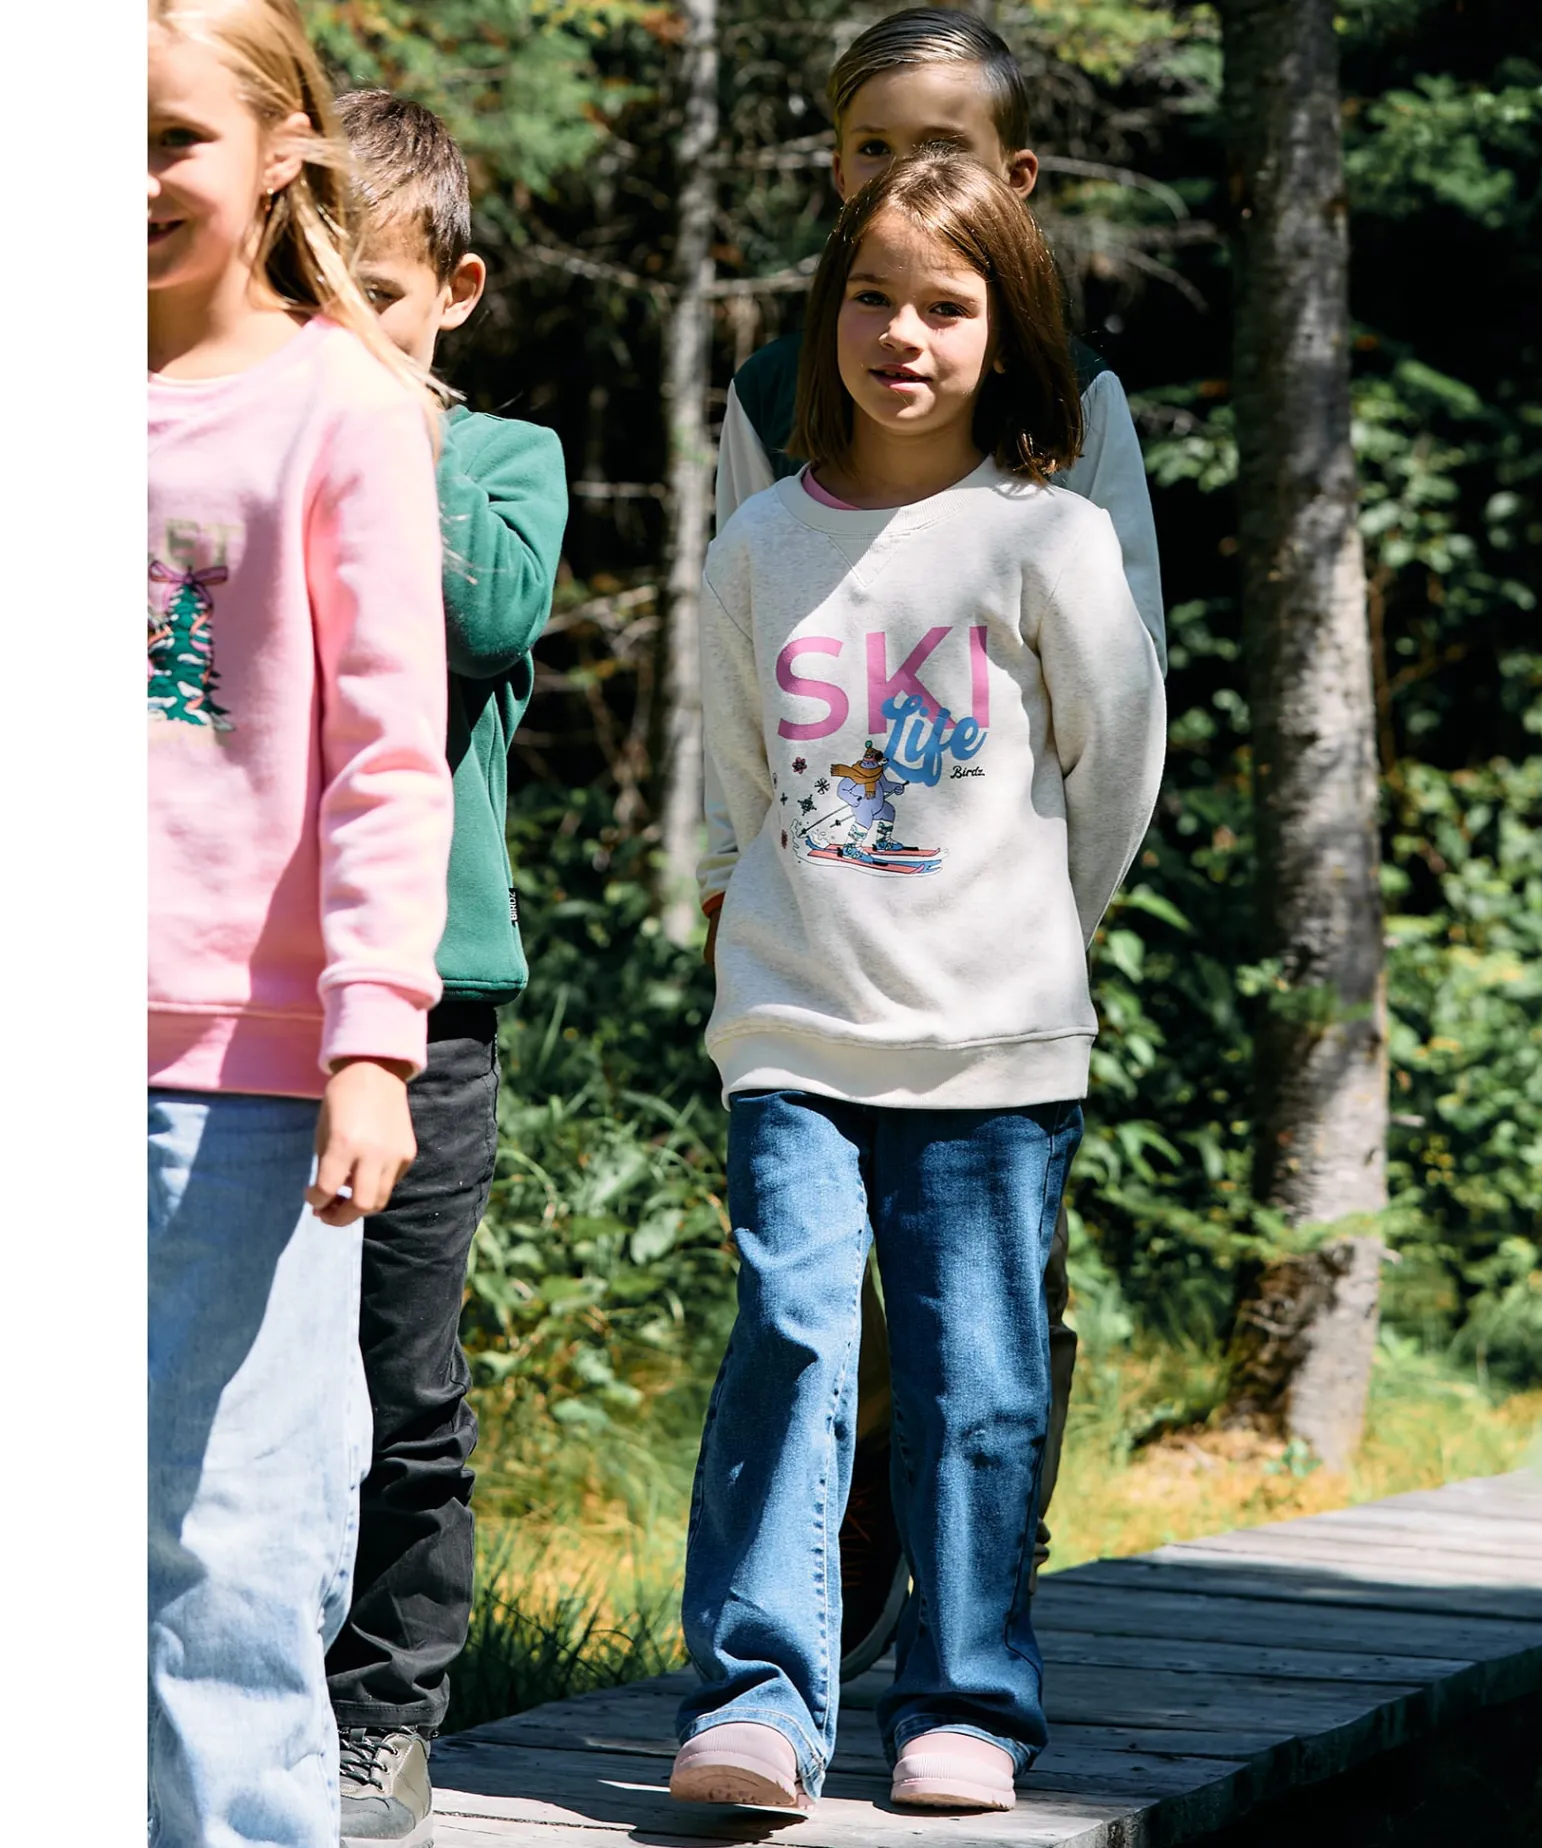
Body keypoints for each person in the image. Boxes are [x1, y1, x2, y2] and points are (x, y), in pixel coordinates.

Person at [671, 153, 1166, 1815]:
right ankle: (758, 1699)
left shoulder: (1051, 537)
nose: (904, 334)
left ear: (1004, 330)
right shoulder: (761, 543)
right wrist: (761, 926)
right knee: (794, 1338)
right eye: (873, 299)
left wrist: (1028, 930)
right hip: (796, 1028)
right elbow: (741, 781)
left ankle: (964, 1704)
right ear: (829, 315)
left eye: (946, 306)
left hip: (993, 1043)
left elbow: (1115, 768)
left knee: (975, 1375)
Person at [147, 5, 453, 1846]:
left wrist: (370, 1041)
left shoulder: (341, 407)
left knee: (224, 1554)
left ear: (280, 154)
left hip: (243, 1088)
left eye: (169, 137)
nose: (122, 183)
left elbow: (386, 758)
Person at [309, 90, 571, 1848]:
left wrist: (385, 428)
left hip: (432, 997)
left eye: (382, 305)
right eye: (317, 299)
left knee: (401, 1377)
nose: (347, 339)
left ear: (456, 295)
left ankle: (384, 1712)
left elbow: (481, 618)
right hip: (265, 995)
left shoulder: (499, 460)